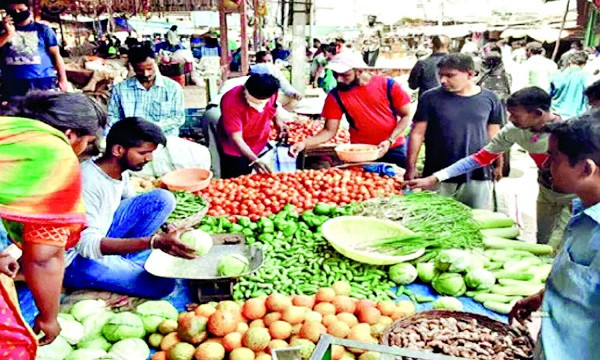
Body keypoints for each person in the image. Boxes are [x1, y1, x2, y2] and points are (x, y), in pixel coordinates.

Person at [0, 91, 105, 357]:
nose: (83, 152)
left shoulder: (10, 131)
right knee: (13, 347)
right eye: (87, 142)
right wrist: (49, 317)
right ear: (70, 134)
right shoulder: (54, 153)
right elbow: (44, 258)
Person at [407, 87, 574, 247]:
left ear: (538, 114)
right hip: (546, 189)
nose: (510, 119)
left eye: (515, 115)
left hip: (575, 193)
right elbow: (479, 158)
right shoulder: (513, 130)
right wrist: (435, 177)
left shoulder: (572, 130)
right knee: (543, 239)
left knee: (564, 239)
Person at [63, 117, 196, 299]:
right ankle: (119, 264)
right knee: (162, 284)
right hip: (76, 258)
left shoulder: (118, 172)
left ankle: (122, 261)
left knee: (161, 199)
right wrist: (154, 242)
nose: (149, 158)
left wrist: (167, 227)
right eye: (143, 153)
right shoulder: (88, 181)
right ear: (118, 150)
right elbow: (86, 245)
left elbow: (135, 204)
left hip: (102, 232)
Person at [508, 113, 600, 360]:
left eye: (554, 158)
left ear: (586, 169)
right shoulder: (584, 213)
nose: (546, 165)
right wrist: (542, 297)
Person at [405, 54, 503, 209]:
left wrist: (499, 164)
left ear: (470, 74)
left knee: (477, 220)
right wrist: (410, 167)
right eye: (441, 75)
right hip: (436, 175)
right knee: (437, 220)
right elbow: (417, 133)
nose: (443, 80)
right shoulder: (429, 98)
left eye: (450, 75)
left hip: (478, 174)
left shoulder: (489, 98)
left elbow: (495, 134)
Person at [289, 51, 412, 167]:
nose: (339, 79)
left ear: (359, 71)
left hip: (393, 148)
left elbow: (406, 115)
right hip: (360, 152)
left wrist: (390, 140)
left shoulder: (388, 86)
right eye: (336, 75)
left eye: (345, 75)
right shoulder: (335, 96)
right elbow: (329, 131)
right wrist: (303, 143)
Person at [217, 73, 288, 178]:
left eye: (261, 101)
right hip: (235, 148)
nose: (258, 105)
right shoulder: (231, 101)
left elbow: (273, 105)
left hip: (258, 140)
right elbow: (236, 138)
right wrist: (254, 160)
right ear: (245, 89)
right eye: (254, 101)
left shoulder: (271, 91)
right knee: (236, 179)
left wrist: (278, 122)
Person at [107, 45, 185, 136]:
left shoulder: (173, 88)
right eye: (140, 70)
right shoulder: (120, 89)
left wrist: (148, 129)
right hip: (132, 140)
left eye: (150, 69)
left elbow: (178, 118)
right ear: (133, 67)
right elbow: (112, 117)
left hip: (163, 137)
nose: (146, 74)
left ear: (156, 62)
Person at [0, 0, 68, 100]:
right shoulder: (2, 31)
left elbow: (56, 55)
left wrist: (63, 79)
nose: (17, 13)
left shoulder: (44, 30)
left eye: (21, 9)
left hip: (42, 81)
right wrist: (8, 33)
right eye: (13, 11)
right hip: (12, 82)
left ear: (29, 10)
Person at [550, 50, 591, 118]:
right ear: (584, 63)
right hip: (577, 117)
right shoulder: (587, 77)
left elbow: (550, 93)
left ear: (569, 61)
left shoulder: (558, 75)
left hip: (556, 114)